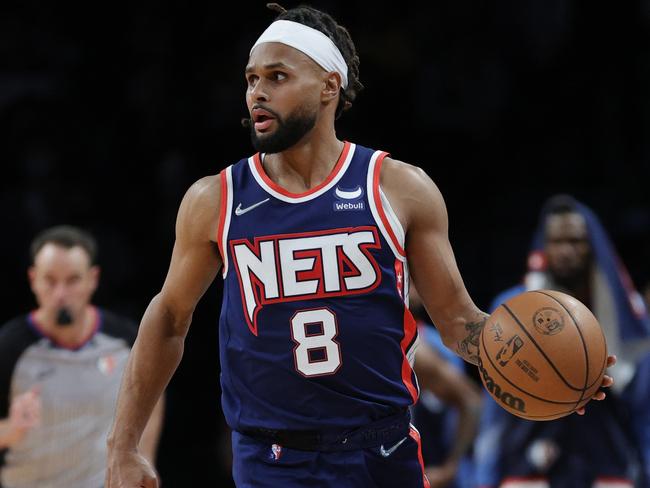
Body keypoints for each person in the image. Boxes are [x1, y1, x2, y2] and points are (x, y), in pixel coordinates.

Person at [105, 5, 614, 488]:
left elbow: (460, 323)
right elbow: (169, 318)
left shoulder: (399, 187)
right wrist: (122, 444)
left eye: (277, 77)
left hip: (381, 451)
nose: (257, 92)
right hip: (271, 459)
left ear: (330, 86)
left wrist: (557, 363)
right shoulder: (216, 198)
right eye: (251, 79)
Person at [474, 195, 650, 488]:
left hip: (609, 471)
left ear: (594, 247)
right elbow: (494, 414)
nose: (565, 251)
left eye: (575, 241)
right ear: (543, 247)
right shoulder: (511, 311)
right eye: (556, 241)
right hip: (527, 470)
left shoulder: (627, 319)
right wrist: (483, 480)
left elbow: (645, 415)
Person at [0, 225, 164, 488]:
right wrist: (11, 429)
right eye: (50, 280)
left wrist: (143, 457)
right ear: (33, 280)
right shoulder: (9, 347)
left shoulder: (124, 341)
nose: (61, 294)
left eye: (73, 280)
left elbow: (152, 394)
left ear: (93, 279)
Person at [411, 285, 483, 488]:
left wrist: (451, 466)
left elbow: (471, 400)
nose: (413, 290)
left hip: (433, 466)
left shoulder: (429, 346)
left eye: (416, 283)